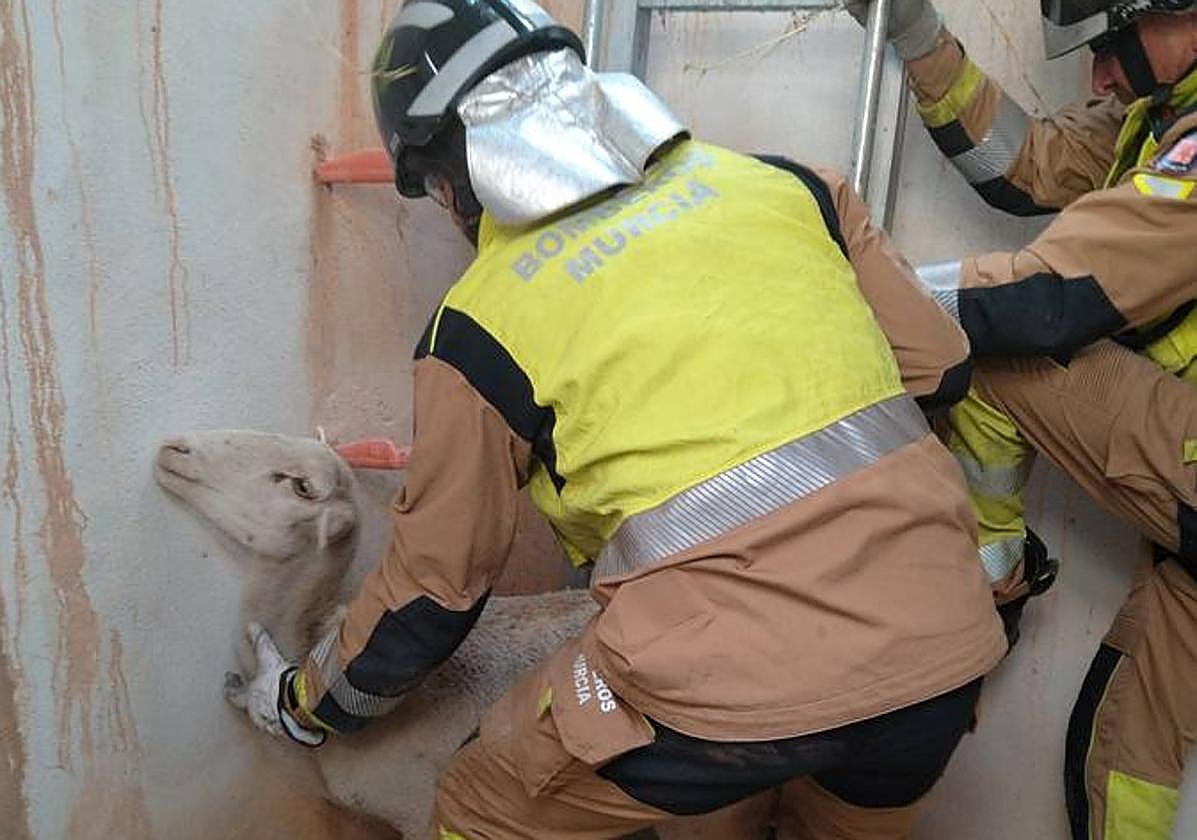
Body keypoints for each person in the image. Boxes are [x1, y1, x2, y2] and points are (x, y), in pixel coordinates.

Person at [230, 1, 1008, 837]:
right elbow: (942, 365)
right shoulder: (794, 187)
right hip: (942, 645)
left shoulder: (478, 323)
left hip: (723, 691)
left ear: (452, 174)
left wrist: (305, 706)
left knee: (480, 806)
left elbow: (431, 596)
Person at [844, 0, 1197, 835]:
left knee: (993, 355)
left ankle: (987, 581)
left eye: (1112, 45)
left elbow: (1048, 301)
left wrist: (844, 298)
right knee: (1121, 757)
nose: (1099, 74)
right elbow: (1024, 163)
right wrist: (912, 33)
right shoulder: (1158, 113)